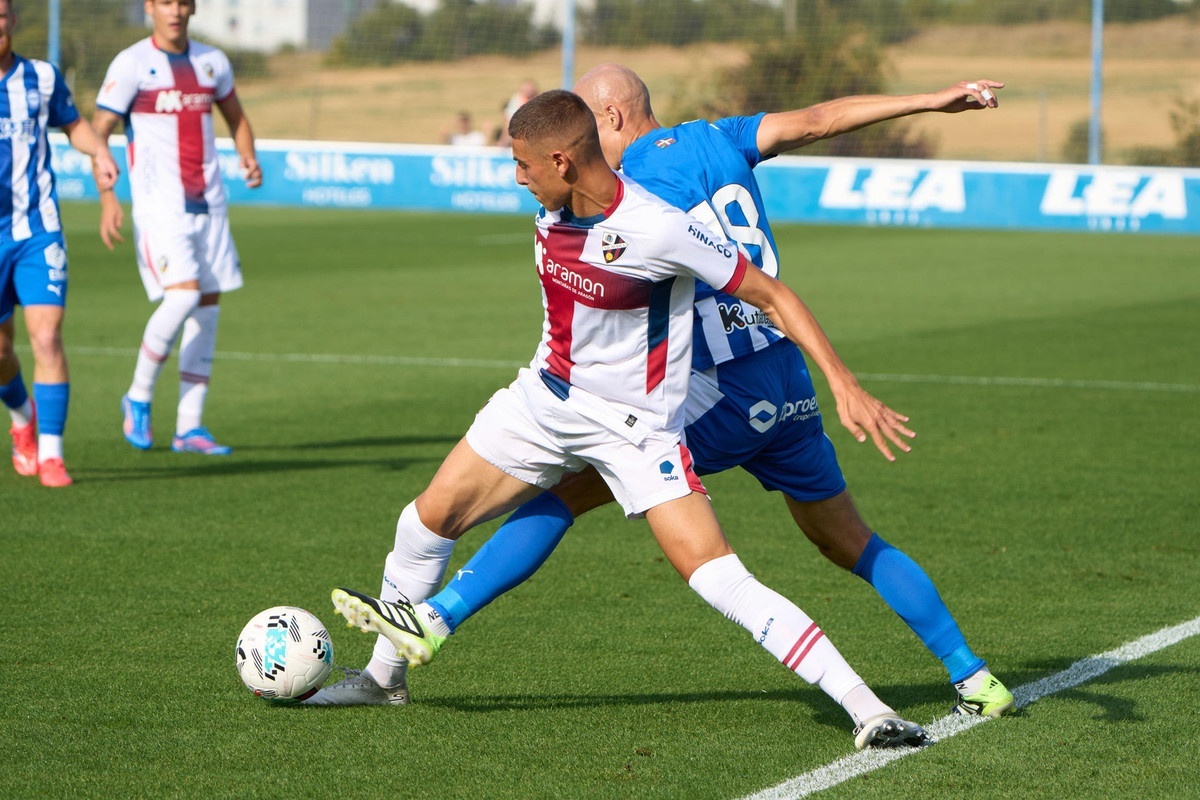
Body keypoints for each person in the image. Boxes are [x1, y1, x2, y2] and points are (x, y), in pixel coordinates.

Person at [326, 65, 1016, 719]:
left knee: (570, 492)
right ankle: (972, 673)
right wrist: (931, 99)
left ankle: (434, 620)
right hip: (786, 377)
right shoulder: (721, 138)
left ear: (607, 119)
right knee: (851, 542)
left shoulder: (635, 192)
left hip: (717, 390)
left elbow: (675, 259)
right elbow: (817, 120)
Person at [91, 0, 261, 456]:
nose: (176, 11)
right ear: (150, 7)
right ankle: (138, 395)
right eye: (166, 2)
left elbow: (237, 117)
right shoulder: (132, 64)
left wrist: (248, 155)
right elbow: (99, 129)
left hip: (210, 203)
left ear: (194, 8)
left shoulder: (212, 61)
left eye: (183, 2)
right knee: (182, 297)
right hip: (160, 206)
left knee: (207, 310)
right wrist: (108, 196)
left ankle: (189, 427)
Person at [0, 0, 120, 488]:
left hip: (37, 228)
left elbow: (74, 125)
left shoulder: (42, 78)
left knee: (47, 337)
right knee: (1, 353)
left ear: (13, 21)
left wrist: (100, 151)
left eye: (1, 15)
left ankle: (52, 453)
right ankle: (23, 417)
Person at [495, 79, 537, 147]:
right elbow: (508, 122)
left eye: (530, 90)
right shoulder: (516, 101)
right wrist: (504, 141)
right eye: (526, 90)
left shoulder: (538, 102)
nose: (528, 92)